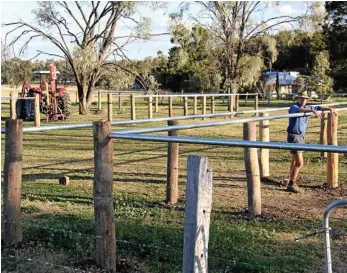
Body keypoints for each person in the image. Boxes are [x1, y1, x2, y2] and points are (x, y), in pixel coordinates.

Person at [286, 91, 337, 193]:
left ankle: (291, 181)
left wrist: (329, 108)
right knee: (299, 163)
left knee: (295, 160)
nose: (303, 100)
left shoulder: (308, 107)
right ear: (298, 98)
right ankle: (291, 183)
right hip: (295, 136)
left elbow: (319, 107)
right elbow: (301, 110)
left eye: (305, 99)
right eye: (301, 98)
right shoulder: (294, 107)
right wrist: (313, 112)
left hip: (300, 136)